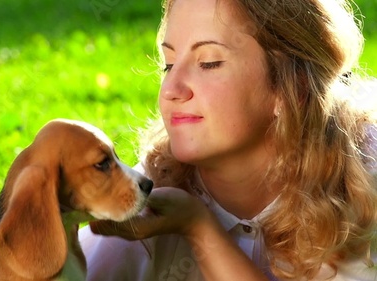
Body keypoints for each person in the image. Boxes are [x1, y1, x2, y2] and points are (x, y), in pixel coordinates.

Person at [79, 0, 377, 279]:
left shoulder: (363, 185)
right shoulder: (150, 201)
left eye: (208, 63)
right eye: (168, 65)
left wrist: (199, 230)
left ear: (291, 86)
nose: (171, 88)